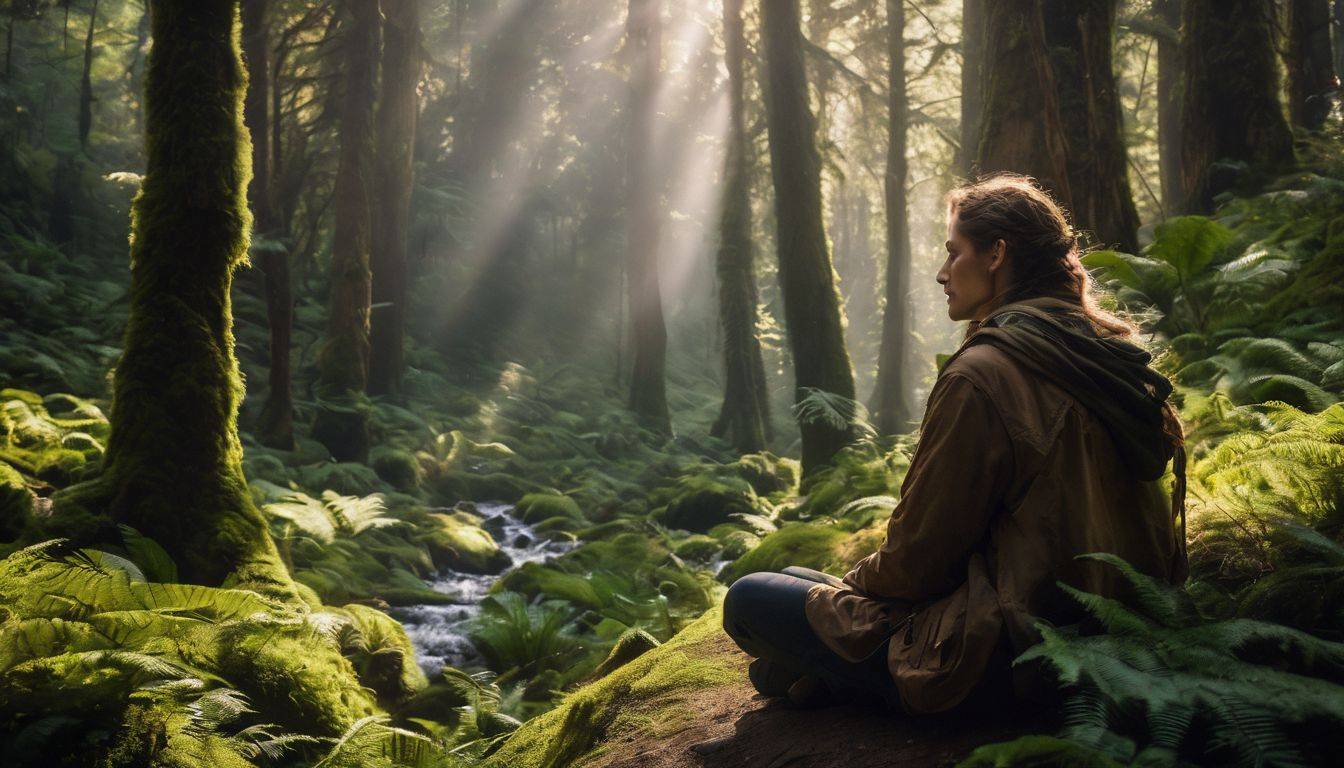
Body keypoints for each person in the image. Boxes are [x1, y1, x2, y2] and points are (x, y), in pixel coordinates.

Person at [722, 174, 1188, 714]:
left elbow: (919, 557)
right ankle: (812, 672)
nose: (943, 274)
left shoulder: (985, 373)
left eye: (953, 254)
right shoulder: (1103, 350)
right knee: (801, 581)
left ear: (997, 254)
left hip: (1015, 646)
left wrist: (854, 589)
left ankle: (817, 673)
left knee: (751, 597)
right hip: (1114, 623)